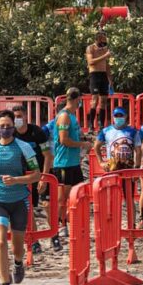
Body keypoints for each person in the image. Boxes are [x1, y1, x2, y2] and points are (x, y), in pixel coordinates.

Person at [0, 110, 41, 285]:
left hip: (19, 201)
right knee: (0, 242)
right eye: (1, 126)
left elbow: (37, 174)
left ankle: (18, 263)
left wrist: (17, 180)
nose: (5, 129)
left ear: (14, 127)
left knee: (17, 246)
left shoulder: (24, 147)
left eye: (8, 126)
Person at [52, 88, 92, 242]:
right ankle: (60, 227)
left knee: (80, 195)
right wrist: (82, 144)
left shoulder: (72, 116)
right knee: (62, 198)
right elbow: (64, 140)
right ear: (77, 99)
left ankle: (75, 224)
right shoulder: (64, 116)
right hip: (63, 163)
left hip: (74, 163)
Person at [11, 103, 52, 254]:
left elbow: (48, 156)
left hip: (41, 171)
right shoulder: (12, 134)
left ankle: (54, 234)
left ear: (26, 117)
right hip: (23, 176)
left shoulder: (37, 132)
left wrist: (44, 178)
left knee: (47, 205)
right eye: (14, 117)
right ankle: (34, 241)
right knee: (28, 208)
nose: (17, 120)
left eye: (19, 117)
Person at [94, 106, 141, 172]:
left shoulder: (133, 131)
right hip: (112, 167)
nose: (118, 118)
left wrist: (137, 167)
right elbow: (96, 146)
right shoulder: (106, 131)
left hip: (128, 167)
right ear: (113, 117)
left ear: (126, 116)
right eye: (116, 116)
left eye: (121, 115)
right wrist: (101, 162)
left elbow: (138, 151)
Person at [85, 30, 113, 133]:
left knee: (103, 101)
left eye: (104, 38)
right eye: (101, 38)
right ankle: (91, 125)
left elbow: (106, 64)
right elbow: (91, 62)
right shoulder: (91, 48)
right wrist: (105, 56)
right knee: (95, 99)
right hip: (94, 74)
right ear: (97, 38)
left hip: (103, 75)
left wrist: (110, 79)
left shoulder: (104, 48)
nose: (103, 40)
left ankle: (101, 125)